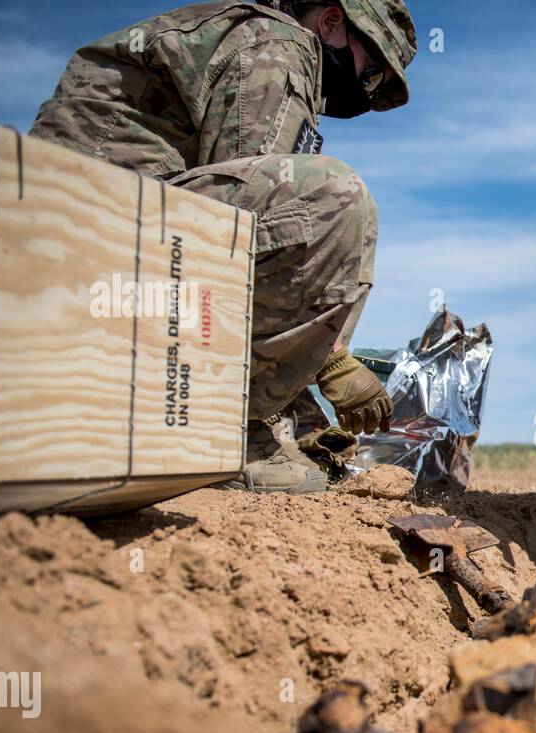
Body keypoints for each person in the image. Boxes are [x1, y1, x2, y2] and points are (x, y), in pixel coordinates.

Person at [30, 0, 417, 493]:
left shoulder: (256, 37)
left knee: (334, 222)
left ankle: (252, 424)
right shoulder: (277, 43)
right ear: (331, 21)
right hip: (84, 239)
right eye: (371, 71)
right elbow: (237, 237)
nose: (367, 89)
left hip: (95, 234)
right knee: (334, 199)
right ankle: (222, 434)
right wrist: (332, 361)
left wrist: (304, 420)